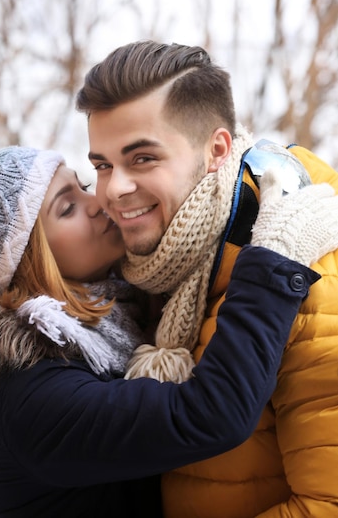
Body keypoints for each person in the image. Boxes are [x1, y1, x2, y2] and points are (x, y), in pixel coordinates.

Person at [76, 40, 338, 517]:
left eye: (143, 159)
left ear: (216, 149)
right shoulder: (145, 271)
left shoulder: (305, 273)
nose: (113, 189)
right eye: (102, 165)